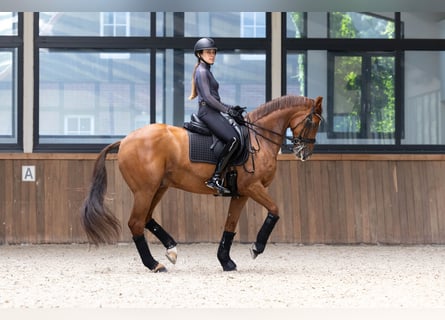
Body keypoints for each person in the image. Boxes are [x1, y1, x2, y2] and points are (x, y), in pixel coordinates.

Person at [188, 37, 245, 195]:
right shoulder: (202, 71)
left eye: (213, 52)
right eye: (208, 52)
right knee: (233, 139)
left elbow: (215, 98)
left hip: (213, 111)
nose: (212, 55)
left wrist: (232, 108)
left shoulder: (206, 71)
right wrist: (228, 111)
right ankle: (215, 177)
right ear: (200, 54)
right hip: (207, 112)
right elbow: (208, 98)